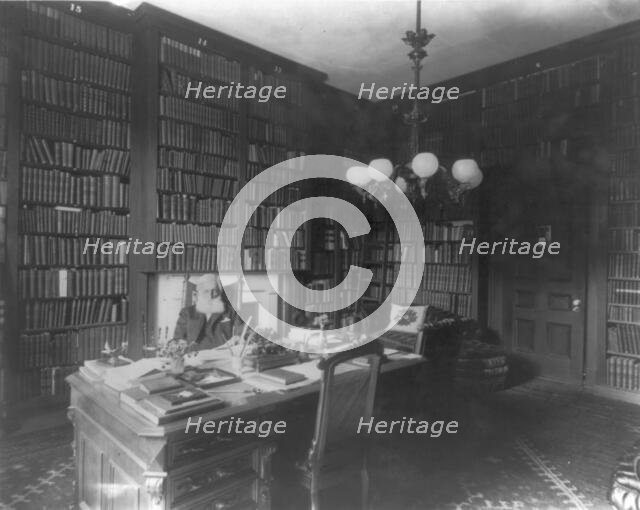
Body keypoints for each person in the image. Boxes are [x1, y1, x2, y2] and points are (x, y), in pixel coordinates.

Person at [173, 274, 240, 350]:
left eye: (214, 290)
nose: (211, 295)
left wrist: (238, 338)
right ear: (199, 293)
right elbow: (178, 339)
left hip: (222, 355)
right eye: (206, 291)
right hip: (194, 355)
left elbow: (243, 332)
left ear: (219, 291)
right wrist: (181, 345)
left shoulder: (231, 312)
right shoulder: (187, 313)